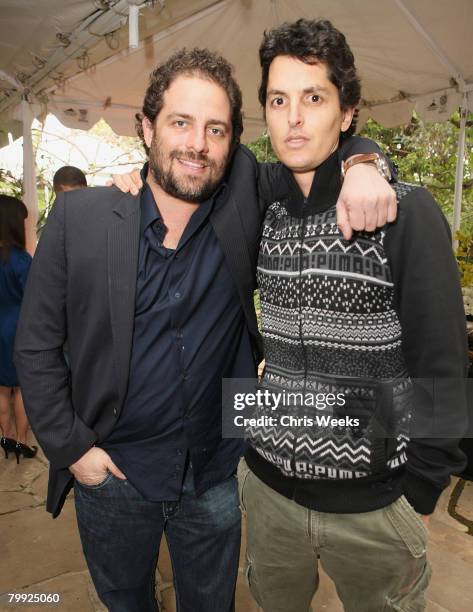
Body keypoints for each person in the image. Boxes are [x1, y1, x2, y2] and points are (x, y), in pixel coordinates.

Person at [15, 47, 394, 612]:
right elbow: (37, 345)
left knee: (211, 602)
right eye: (180, 122)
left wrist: (365, 161)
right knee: (125, 601)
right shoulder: (81, 220)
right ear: (146, 128)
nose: (197, 144)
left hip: (215, 473)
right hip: (113, 473)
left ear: (233, 141)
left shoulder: (245, 196)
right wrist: (74, 451)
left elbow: (322, 146)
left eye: (216, 129)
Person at [233, 19, 467, 612]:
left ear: (347, 113)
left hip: (375, 504)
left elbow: (441, 362)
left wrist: (420, 486)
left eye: (314, 98)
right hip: (267, 491)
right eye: (279, 99)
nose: (294, 117)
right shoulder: (260, 202)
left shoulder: (406, 214)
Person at [0, 195, 36, 463]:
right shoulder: (21, 260)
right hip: (17, 328)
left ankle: (7, 436)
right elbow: (34, 298)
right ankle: (23, 442)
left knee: (1, 389)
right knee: (22, 388)